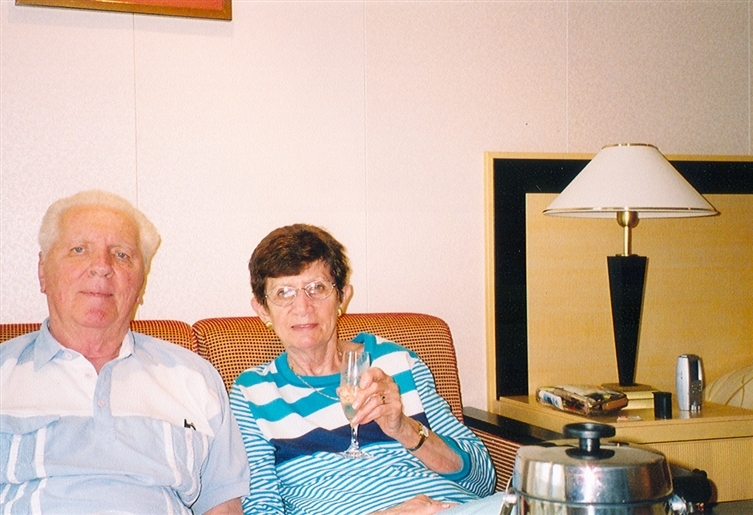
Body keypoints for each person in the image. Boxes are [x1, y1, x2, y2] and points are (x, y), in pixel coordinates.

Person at [0, 190, 250, 514]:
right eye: (79, 250)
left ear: (141, 282)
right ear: (43, 271)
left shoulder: (195, 379)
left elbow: (223, 507)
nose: (101, 267)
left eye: (121, 255)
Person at [229, 224, 497, 515]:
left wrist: (403, 429)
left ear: (342, 297)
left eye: (317, 288)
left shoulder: (396, 361)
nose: (303, 307)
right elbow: (261, 510)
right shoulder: (253, 393)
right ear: (263, 310)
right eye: (284, 293)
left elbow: (483, 480)